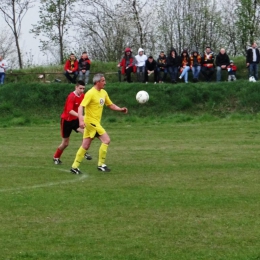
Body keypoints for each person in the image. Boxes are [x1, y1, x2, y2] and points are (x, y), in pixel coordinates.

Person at [70, 73, 128, 174]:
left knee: (85, 145)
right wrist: (81, 121)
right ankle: (101, 165)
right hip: (91, 122)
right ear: (97, 82)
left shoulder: (103, 93)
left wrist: (120, 109)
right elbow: (81, 107)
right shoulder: (90, 93)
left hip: (94, 122)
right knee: (106, 140)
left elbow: (110, 105)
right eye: (103, 81)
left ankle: (74, 167)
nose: (105, 83)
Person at [53, 80, 92, 164]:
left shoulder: (82, 96)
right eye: (80, 88)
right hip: (66, 121)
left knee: (86, 133)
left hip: (75, 120)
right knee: (65, 143)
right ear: (76, 87)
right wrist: (81, 116)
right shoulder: (71, 96)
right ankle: (56, 157)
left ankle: (83, 152)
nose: (82, 90)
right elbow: (69, 110)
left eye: (83, 89)